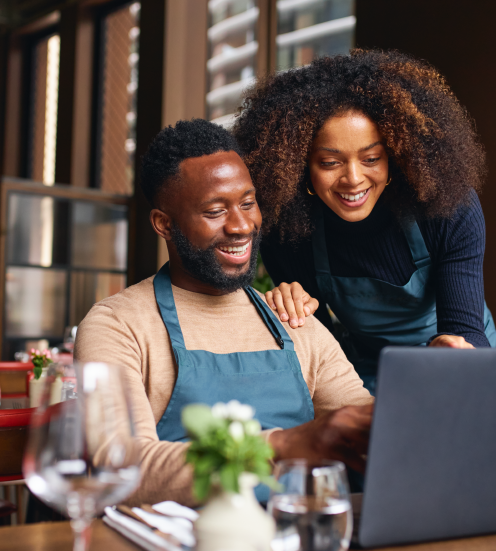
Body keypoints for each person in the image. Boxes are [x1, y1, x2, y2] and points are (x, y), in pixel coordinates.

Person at [74, 119, 373, 507]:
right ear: (164, 224)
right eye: (216, 211)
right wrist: (282, 444)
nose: (242, 225)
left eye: (248, 203)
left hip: (298, 546)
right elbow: (120, 465)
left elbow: (364, 427)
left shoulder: (293, 318)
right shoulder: (117, 325)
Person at [233, 49, 496, 394]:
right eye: (330, 162)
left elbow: (466, 328)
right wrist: (291, 309)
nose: (354, 179)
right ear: (299, 168)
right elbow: (321, 349)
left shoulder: (447, 208)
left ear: (396, 155)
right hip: (367, 373)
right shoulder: (288, 231)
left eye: (371, 158)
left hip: (456, 362)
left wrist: (455, 351)